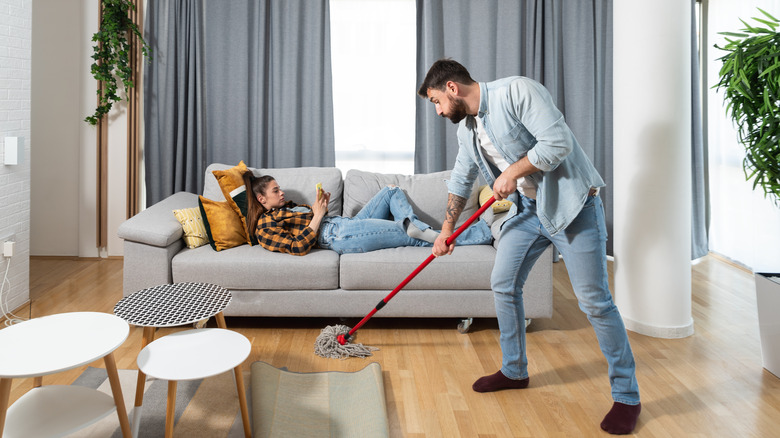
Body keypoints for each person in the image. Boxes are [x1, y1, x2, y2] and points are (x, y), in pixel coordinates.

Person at [418, 59, 641, 435]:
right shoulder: (468, 130)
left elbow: (558, 143)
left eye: (437, 101)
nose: (439, 111)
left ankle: (627, 397)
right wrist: (446, 229)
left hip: (573, 207)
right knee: (503, 283)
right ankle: (514, 370)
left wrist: (510, 172)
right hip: (530, 212)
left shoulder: (517, 91)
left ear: (452, 88)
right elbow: (462, 177)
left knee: (594, 302)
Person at [242, 171, 493, 256]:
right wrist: (317, 216)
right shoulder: (264, 227)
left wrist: (322, 208)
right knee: (406, 234)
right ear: (262, 199)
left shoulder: (287, 208)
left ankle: (412, 223)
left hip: (343, 223)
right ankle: (480, 233)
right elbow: (298, 248)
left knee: (391, 191)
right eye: (276, 191)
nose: (282, 193)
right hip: (338, 236)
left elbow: (318, 219)